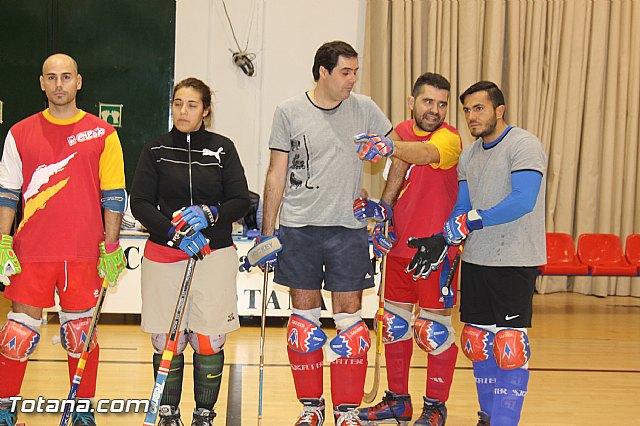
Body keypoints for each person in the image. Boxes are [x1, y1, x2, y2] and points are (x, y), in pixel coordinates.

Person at [257, 41, 392, 426]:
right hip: (299, 230)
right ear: (323, 72)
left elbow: (396, 151)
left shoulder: (364, 108)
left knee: (351, 325)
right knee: (304, 323)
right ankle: (311, 408)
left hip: (348, 231)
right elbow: (276, 173)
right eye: (345, 72)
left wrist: (385, 201)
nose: (353, 79)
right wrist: (268, 233)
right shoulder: (288, 111)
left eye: (355, 71)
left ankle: (346, 411)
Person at [401, 81, 546, 426]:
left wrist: (471, 221)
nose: (471, 116)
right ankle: (487, 416)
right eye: (466, 110)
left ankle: (505, 422)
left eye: (478, 108)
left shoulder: (524, 145)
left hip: (514, 259)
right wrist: (442, 239)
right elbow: (462, 208)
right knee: (478, 341)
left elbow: (523, 201)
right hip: (478, 260)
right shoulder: (469, 155)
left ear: (499, 110)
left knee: (509, 346)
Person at [0, 53, 127, 426]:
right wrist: (3, 241)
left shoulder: (104, 134)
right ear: (41, 83)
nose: (59, 84)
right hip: (32, 251)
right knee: (16, 335)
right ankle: (5, 412)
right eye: (52, 77)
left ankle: (82, 413)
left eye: (66, 77)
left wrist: (112, 245)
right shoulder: (19, 133)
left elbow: (114, 194)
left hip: (84, 252)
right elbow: (7, 192)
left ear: (79, 81)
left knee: (80, 334)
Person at [130, 77, 250, 426]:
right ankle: (168, 414)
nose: (183, 111)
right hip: (165, 255)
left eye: (192, 105)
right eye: (178, 103)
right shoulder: (154, 149)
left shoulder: (223, 149)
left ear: (206, 110)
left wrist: (211, 214)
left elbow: (240, 201)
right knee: (167, 339)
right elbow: (140, 203)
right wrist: (173, 233)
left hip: (213, 254)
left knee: (208, 340)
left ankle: (204, 415)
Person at [353, 72, 462, 426]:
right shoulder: (401, 130)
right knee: (394, 326)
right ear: (412, 102)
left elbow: (424, 153)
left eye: (442, 104)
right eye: (428, 102)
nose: (435, 110)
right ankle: (398, 402)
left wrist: (390, 144)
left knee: (434, 331)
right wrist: (383, 214)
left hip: (435, 251)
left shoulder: (450, 138)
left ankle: (435, 408)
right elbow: (395, 175)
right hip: (400, 248)